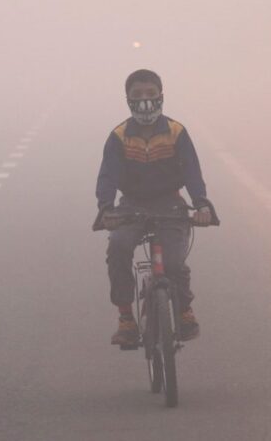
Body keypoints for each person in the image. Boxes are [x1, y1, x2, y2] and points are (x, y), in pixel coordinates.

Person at [93, 69, 217, 347]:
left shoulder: (176, 132)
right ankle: (126, 317)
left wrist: (201, 204)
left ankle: (184, 310)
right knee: (118, 248)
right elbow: (107, 177)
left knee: (174, 264)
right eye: (137, 95)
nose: (145, 100)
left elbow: (193, 173)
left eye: (150, 94)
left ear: (161, 95)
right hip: (131, 207)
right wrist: (106, 209)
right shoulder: (119, 136)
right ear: (127, 99)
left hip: (171, 204)